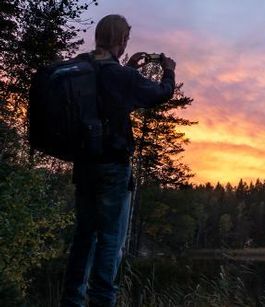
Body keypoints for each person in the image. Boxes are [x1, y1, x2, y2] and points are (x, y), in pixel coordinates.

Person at [61, 14, 176, 307]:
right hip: (113, 165)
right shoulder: (121, 76)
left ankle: (72, 300)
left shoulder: (80, 68)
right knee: (111, 238)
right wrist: (169, 71)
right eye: (125, 38)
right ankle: (102, 300)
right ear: (121, 40)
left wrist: (127, 69)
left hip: (84, 164)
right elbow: (161, 94)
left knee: (84, 235)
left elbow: (106, 100)